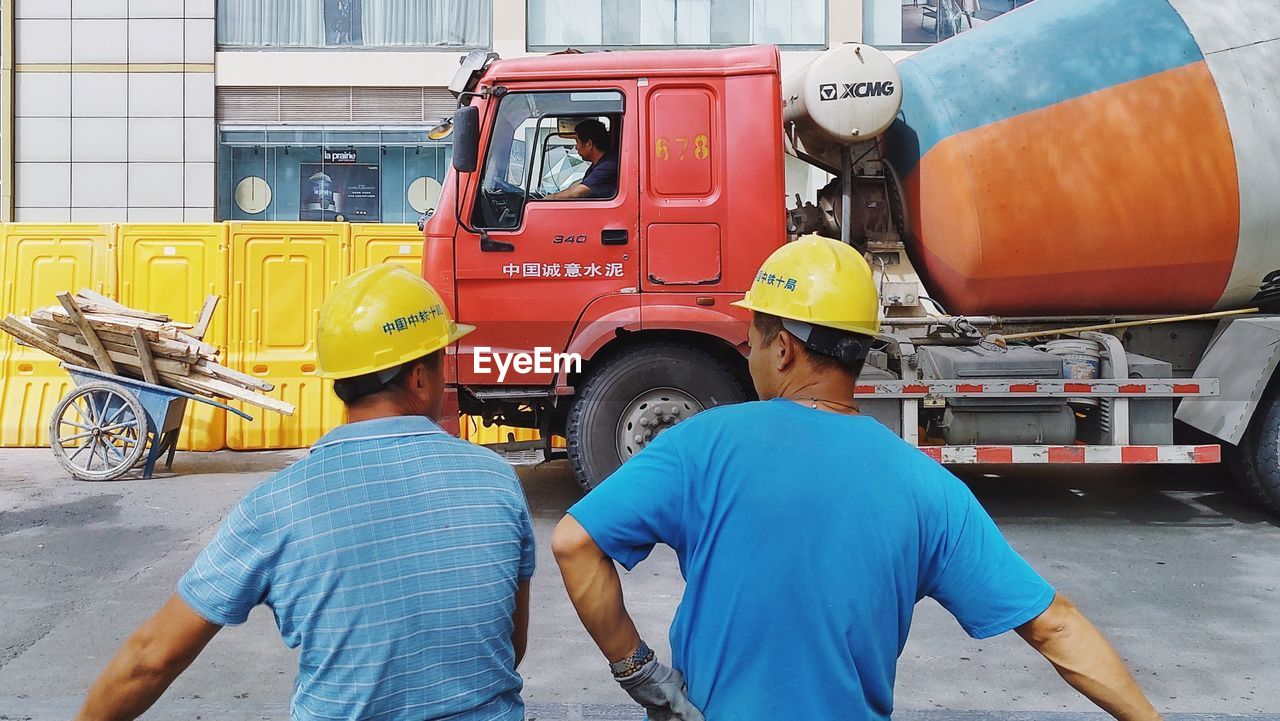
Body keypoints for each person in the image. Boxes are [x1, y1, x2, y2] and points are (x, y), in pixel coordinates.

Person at [552, 235, 1163, 721]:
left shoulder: (703, 443)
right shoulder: (926, 487)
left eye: (753, 340)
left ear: (784, 348)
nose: (750, 355)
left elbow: (575, 543)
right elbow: (1054, 625)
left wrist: (641, 675)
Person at [74, 265, 537, 721]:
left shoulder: (279, 503)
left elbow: (153, 658)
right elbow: (507, 646)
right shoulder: (496, 478)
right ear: (419, 377)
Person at [547, 118, 618, 200]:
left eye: (577, 142)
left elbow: (578, 192)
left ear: (589, 144)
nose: (576, 147)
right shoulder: (597, 165)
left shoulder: (608, 165)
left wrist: (549, 198)